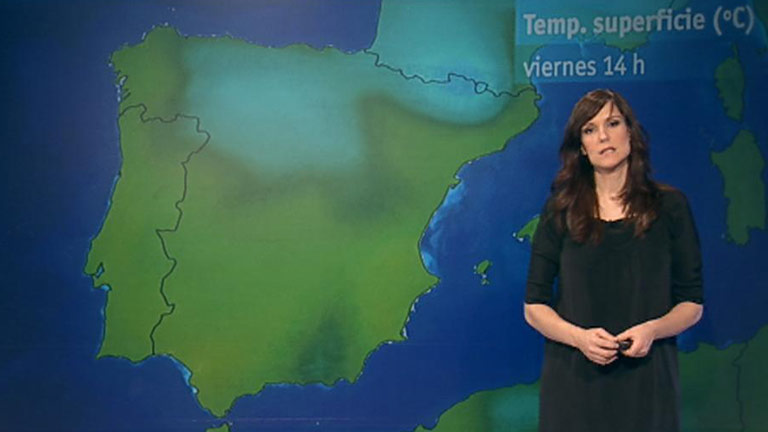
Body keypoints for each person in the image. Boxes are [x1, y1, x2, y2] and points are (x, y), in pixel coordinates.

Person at [523, 89, 704, 432]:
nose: (603, 136)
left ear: (630, 133)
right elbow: (534, 307)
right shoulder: (560, 210)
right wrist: (580, 338)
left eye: (613, 123)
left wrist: (652, 330)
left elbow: (692, 303)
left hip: (647, 384)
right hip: (574, 386)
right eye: (590, 130)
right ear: (581, 147)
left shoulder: (670, 208)